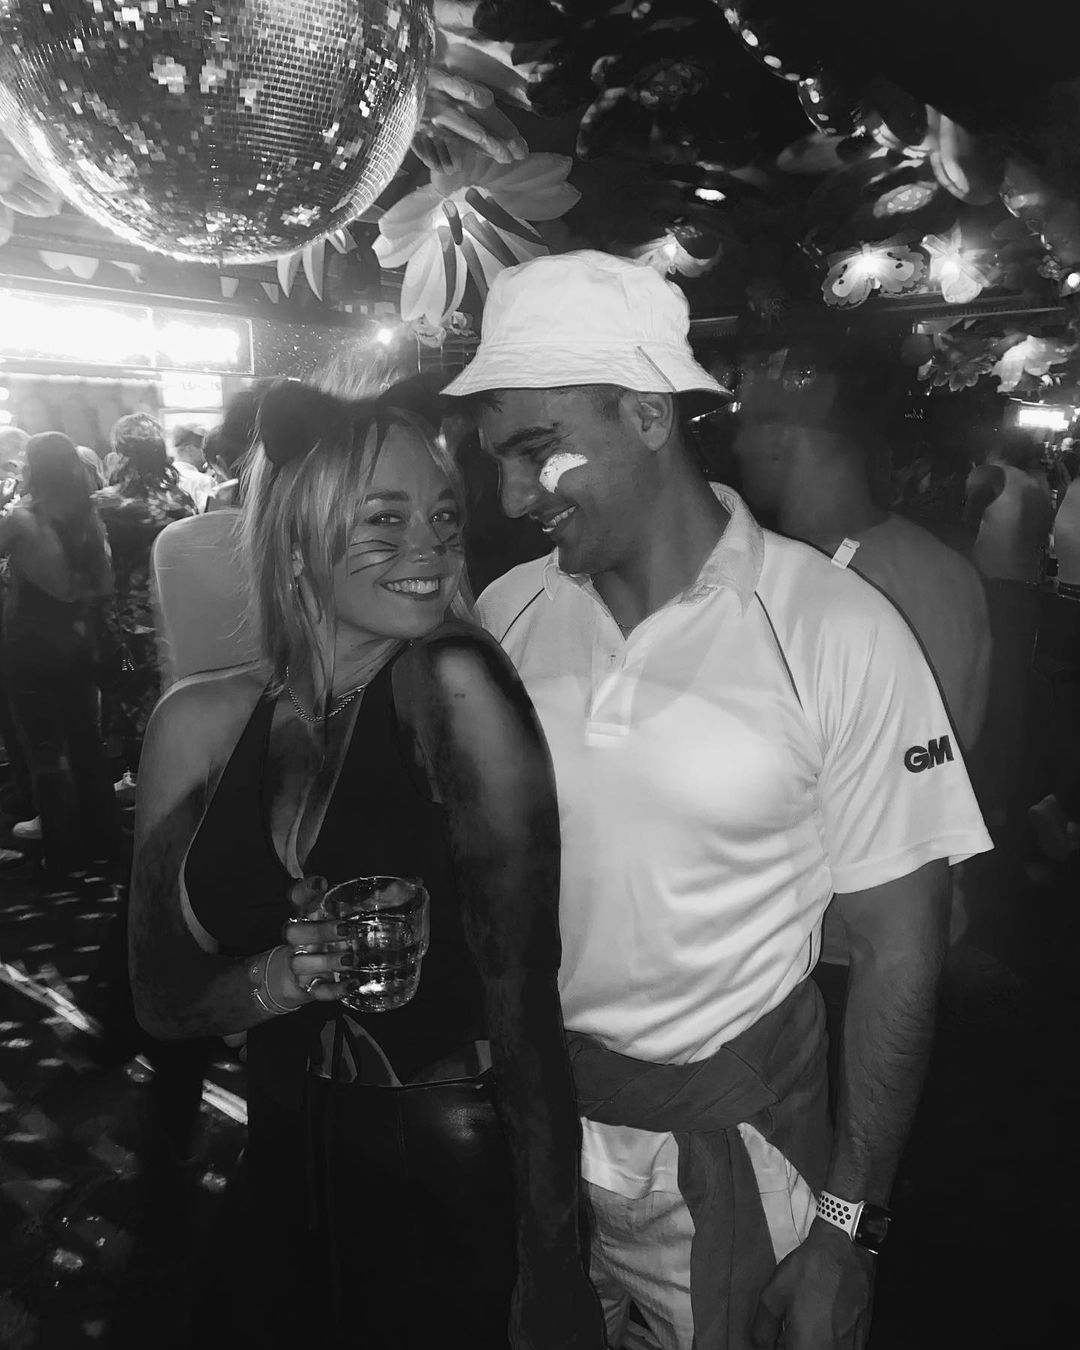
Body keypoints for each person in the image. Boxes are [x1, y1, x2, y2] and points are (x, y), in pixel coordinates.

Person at [444, 250, 992, 1350]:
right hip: (535, 1148)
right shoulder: (506, 612)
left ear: (649, 415)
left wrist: (848, 1232)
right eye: (496, 460)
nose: (510, 497)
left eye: (537, 451)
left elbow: (901, 950)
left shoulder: (833, 627)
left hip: (740, 1165)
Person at [127, 379, 603, 1350]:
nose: (432, 546)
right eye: (386, 519)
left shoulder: (452, 683)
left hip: (442, 1165)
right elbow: (161, 999)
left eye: (442, 516)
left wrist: (554, 1263)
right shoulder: (198, 724)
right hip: (280, 1161)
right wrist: (280, 977)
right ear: (298, 535)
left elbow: (523, 998)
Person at [0, 433, 121, 878]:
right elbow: (105, 584)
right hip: (79, 642)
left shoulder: (22, 518)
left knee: (45, 750)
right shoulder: (88, 517)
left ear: (34, 468)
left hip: (30, 644)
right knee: (87, 742)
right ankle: (105, 840)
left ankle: (66, 852)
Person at [93, 413, 196, 778]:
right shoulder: (180, 500)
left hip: (126, 623)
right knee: (172, 693)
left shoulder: (105, 504)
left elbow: (94, 565)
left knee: (128, 695)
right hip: (177, 616)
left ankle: (137, 777)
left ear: (120, 453)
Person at [170, 422, 215, 512]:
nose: (206, 454)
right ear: (189, 449)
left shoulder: (166, 477)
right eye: (203, 449)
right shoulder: (203, 481)